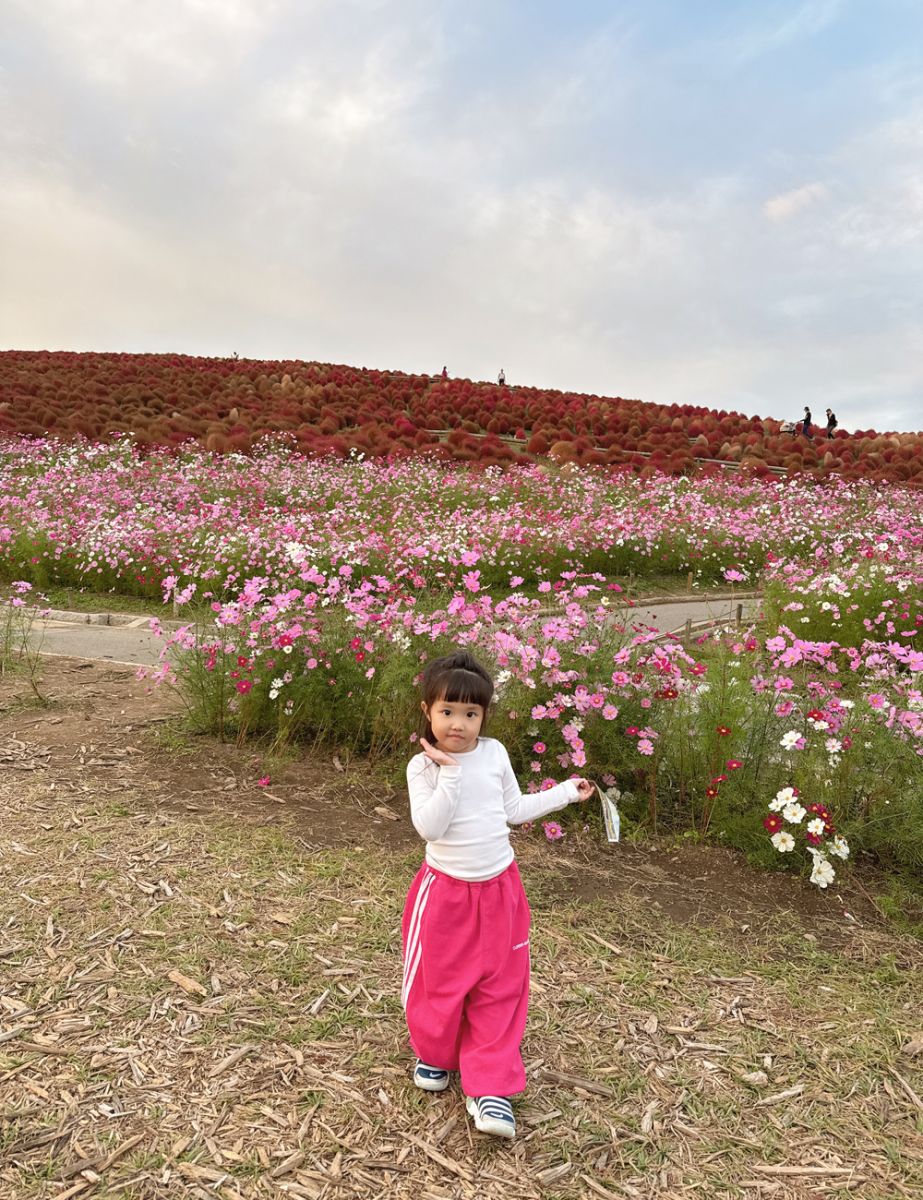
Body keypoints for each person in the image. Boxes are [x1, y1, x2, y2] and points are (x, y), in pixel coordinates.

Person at [403, 650, 593, 1140]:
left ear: (483, 716)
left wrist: (567, 792)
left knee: (501, 986)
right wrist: (448, 770)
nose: (459, 724)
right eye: (447, 711)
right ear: (428, 710)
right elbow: (429, 826)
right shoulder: (421, 769)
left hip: (501, 889)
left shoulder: (495, 753)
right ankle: (437, 1054)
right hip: (445, 893)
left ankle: (490, 1088)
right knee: (439, 981)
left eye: (471, 714)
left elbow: (514, 809)